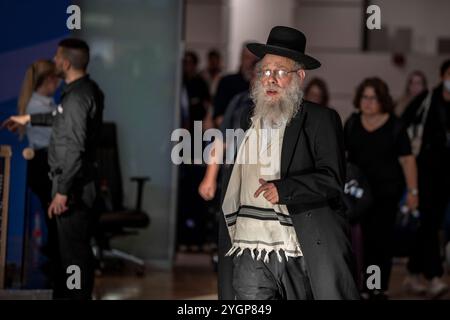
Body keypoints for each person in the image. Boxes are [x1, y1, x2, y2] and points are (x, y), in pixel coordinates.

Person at [217, 26, 359, 300]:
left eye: (280, 72)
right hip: (248, 246)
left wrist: (285, 189)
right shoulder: (246, 119)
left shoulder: (320, 119)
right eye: (265, 71)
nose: (270, 79)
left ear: (299, 77)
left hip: (297, 247)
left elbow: (332, 179)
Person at [3, 38, 104, 300]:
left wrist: (61, 191)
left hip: (74, 189)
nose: (54, 60)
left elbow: (74, 148)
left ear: (66, 63)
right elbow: (60, 117)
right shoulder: (82, 91)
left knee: (74, 256)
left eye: (57, 57)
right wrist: (29, 118)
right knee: (68, 253)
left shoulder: (77, 98)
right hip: (78, 186)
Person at [344, 77, 418, 299]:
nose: (368, 102)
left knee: (380, 244)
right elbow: (342, 157)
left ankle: (376, 287)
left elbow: (408, 160)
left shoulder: (395, 125)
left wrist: (413, 192)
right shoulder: (353, 122)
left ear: (383, 100)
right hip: (357, 195)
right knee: (360, 243)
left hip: (386, 194)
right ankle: (363, 287)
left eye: (373, 98)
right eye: (365, 97)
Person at [401, 60, 450, 298]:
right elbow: (404, 122)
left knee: (431, 223)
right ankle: (434, 276)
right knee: (429, 222)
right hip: (425, 172)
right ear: (442, 75)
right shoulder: (429, 98)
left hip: (446, 175)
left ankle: (412, 272)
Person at [213, 44, 258, 127]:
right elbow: (218, 117)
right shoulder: (228, 82)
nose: (251, 62)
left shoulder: (262, 89)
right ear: (241, 58)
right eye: (248, 57)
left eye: (254, 59)